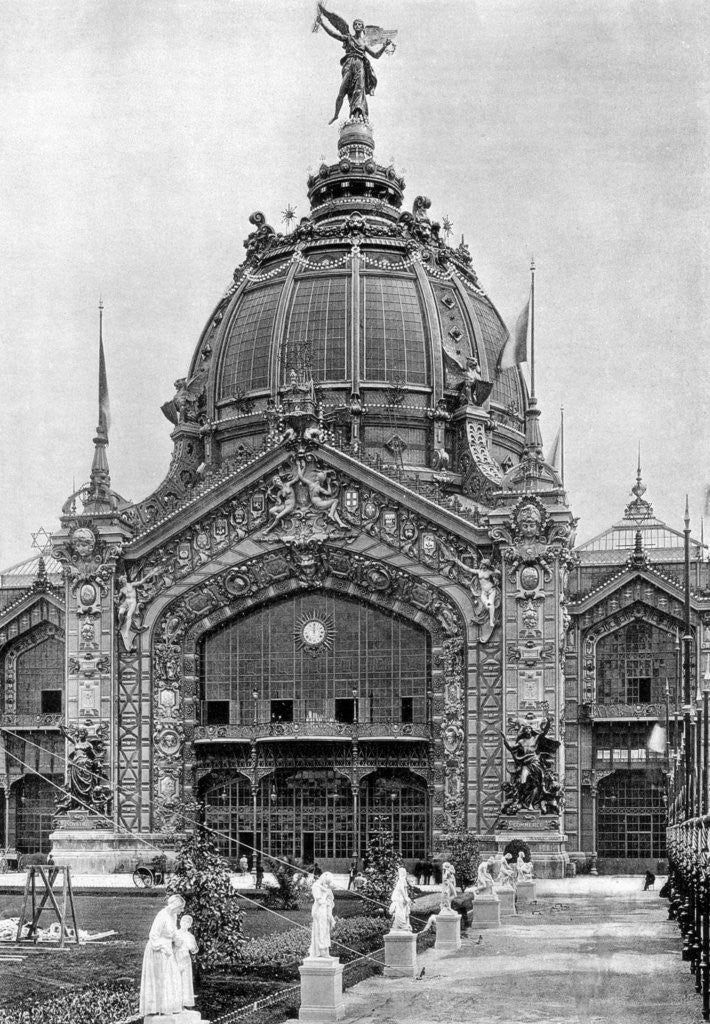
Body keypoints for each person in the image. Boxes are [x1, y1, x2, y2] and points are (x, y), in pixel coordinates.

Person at [316, 5, 393, 123]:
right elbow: (334, 34)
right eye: (355, 24)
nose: (357, 25)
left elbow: (375, 55)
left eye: (359, 24)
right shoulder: (348, 38)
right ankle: (336, 115)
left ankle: (356, 116)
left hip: (360, 65)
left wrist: (384, 46)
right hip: (349, 64)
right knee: (342, 92)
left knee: (359, 91)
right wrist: (322, 24)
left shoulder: (364, 43)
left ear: (362, 28)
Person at [139, 894, 185, 1018]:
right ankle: (157, 1007)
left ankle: (169, 1006)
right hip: (158, 950)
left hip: (167, 949)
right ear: (175, 906)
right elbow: (153, 935)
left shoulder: (173, 915)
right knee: (162, 978)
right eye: (180, 908)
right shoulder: (162, 915)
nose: (182, 911)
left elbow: (173, 932)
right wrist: (162, 947)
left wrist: (179, 940)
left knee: (172, 976)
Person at [308, 873, 336, 958]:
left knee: (325, 930)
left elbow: (330, 901)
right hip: (319, 911)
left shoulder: (325, 888)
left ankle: (325, 950)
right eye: (327, 883)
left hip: (325, 911)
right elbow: (320, 901)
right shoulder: (316, 886)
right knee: (321, 930)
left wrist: (331, 918)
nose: (327, 885)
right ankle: (321, 950)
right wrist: (326, 894)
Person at [174, 914, 198, 1009]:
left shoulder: (190, 936)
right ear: (180, 922)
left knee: (186, 980)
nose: (185, 923)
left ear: (190, 925)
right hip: (176, 957)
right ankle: (175, 1004)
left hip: (186, 959)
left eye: (188, 922)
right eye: (183, 921)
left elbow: (195, 950)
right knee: (176, 979)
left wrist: (191, 946)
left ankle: (184, 1004)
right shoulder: (175, 933)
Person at [388, 866, 412, 932]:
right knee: (400, 911)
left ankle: (400, 925)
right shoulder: (402, 880)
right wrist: (405, 897)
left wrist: (406, 897)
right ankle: (401, 925)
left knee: (402, 911)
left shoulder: (401, 880)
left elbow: (404, 890)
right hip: (401, 898)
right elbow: (401, 889)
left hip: (401, 898)